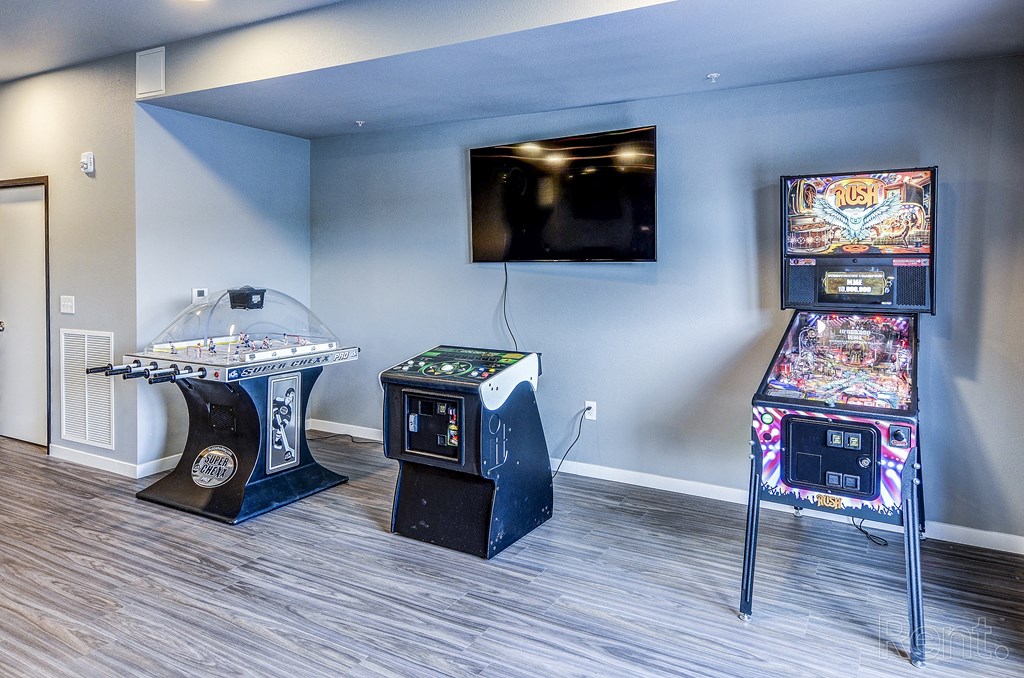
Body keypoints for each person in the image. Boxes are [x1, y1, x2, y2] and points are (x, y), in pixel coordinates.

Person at [272, 387, 296, 462]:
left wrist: (284, 422)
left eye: (293, 395)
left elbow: (288, 416)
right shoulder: (280, 399)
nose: (292, 396)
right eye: (291, 394)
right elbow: (273, 401)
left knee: (281, 428)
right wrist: (275, 411)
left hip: (281, 420)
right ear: (288, 394)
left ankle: (277, 440)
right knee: (271, 427)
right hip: (275, 418)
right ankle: (269, 438)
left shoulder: (290, 406)